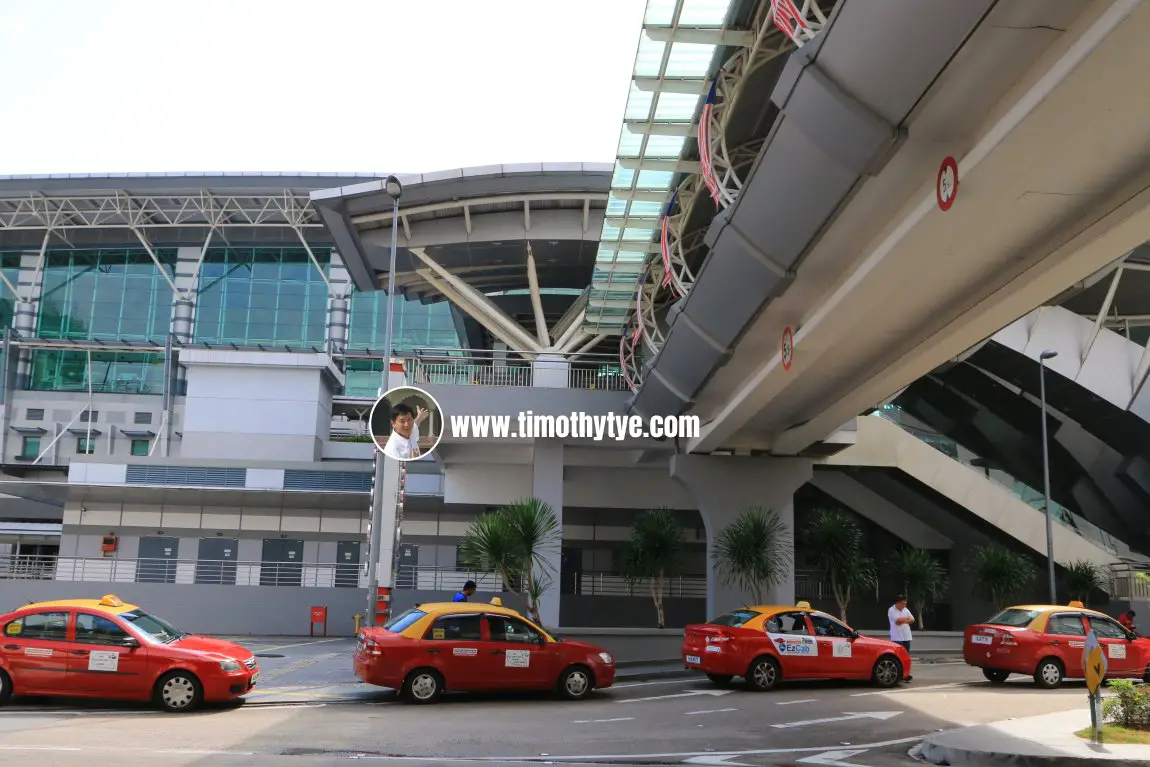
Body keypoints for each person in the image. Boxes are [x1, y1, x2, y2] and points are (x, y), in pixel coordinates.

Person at [889, 594, 915, 681]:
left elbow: (912, 620)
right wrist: (906, 620)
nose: (904, 606)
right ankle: (897, 675)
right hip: (897, 638)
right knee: (897, 658)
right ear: (898, 603)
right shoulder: (891, 610)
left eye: (905, 604)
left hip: (906, 637)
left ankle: (906, 675)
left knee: (906, 657)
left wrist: (903, 620)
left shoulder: (906, 609)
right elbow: (898, 621)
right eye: (903, 604)